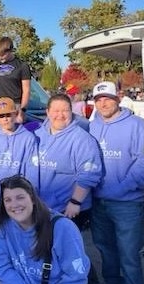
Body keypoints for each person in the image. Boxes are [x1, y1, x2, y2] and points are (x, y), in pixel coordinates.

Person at [89, 81, 144, 284]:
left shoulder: (138, 126)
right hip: (98, 202)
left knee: (128, 253)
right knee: (105, 248)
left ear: (119, 97)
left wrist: (119, 189)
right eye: (98, 99)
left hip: (127, 203)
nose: (103, 103)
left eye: (108, 98)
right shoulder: (91, 126)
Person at [34, 94, 102, 230]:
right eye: (56, 111)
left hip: (67, 210)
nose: (60, 115)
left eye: (65, 110)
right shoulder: (37, 135)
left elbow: (89, 174)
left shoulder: (82, 139)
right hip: (40, 209)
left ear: (71, 112)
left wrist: (75, 202)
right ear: (47, 112)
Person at [0, 97, 39, 217]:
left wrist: (31, 198)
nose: (6, 119)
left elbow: (32, 171)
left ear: (15, 114)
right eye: (1, 116)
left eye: (8, 114)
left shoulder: (28, 138)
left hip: (18, 201)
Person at [0, 37, 31, 124]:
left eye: (2, 55)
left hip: (14, 106)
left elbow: (26, 90)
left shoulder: (22, 66)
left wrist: (22, 109)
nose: (0, 57)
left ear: (10, 50)